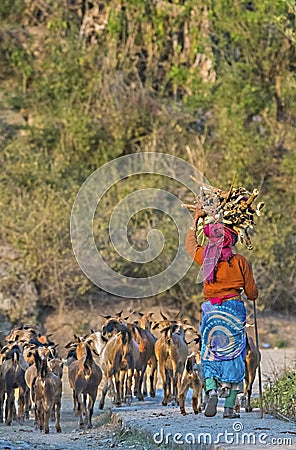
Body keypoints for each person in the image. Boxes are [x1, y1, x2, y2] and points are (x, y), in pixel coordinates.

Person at [185, 204, 258, 418]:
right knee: (235, 354)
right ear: (232, 241)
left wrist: (195, 221)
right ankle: (229, 407)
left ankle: (211, 389)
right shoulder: (240, 262)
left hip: (211, 311)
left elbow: (190, 244)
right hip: (234, 310)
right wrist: (252, 291)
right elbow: (252, 293)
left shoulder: (206, 257)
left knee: (210, 351)